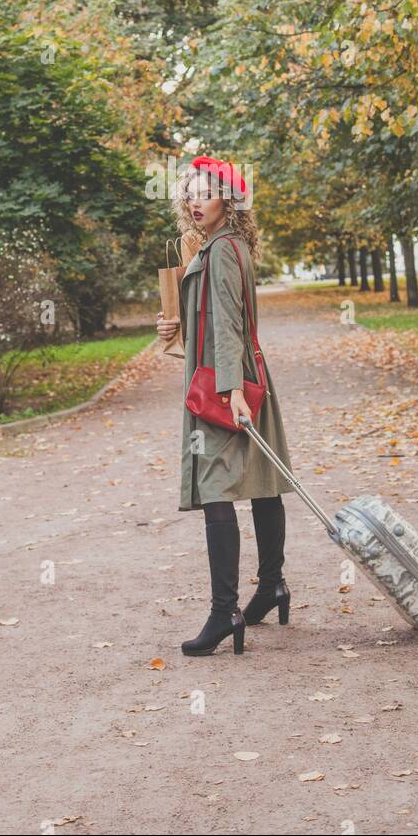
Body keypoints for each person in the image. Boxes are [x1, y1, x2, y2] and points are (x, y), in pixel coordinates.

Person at [156, 155, 296, 656]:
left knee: (216, 488)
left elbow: (229, 328)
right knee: (260, 482)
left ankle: (224, 612)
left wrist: (232, 392)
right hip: (244, 377)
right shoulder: (229, 247)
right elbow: (214, 320)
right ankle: (271, 586)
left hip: (225, 384)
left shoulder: (219, 252)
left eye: (206, 192)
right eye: (190, 192)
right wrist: (174, 329)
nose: (196, 201)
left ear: (228, 201)